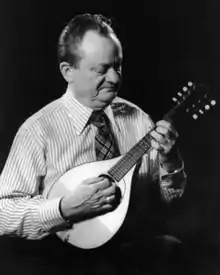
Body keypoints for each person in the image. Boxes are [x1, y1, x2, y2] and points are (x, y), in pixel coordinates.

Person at [0, 13, 187, 274]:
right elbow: (3, 212)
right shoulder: (38, 130)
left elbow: (169, 202)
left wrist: (170, 161)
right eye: (101, 69)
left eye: (117, 66)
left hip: (133, 255)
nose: (113, 78)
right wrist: (63, 209)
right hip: (65, 261)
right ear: (68, 71)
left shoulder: (138, 118)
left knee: (176, 250)